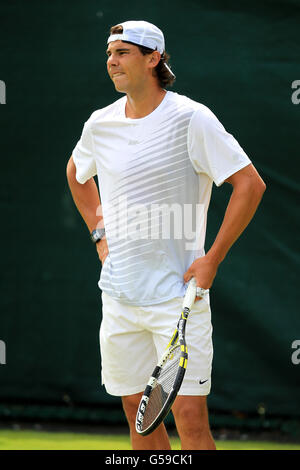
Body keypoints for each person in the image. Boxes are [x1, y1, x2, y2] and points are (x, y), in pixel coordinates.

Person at [66, 20, 266, 450]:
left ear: (153, 58)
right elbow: (77, 174)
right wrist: (99, 234)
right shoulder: (100, 124)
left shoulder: (192, 118)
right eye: (108, 54)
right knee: (142, 426)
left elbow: (250, 185)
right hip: (119, 297)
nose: (112, 62)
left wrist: (212, 258)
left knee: (191, 426)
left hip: (179, 300)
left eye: (122, 53)